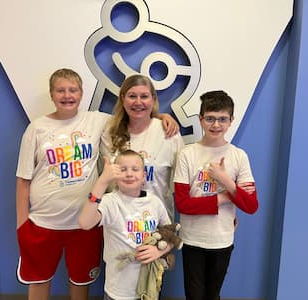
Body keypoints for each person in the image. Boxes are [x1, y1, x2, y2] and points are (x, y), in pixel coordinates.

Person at [15, 68, 178, 300]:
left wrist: (161, 117)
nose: (67, 95)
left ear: (82, 93)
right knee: (39, 281)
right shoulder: (36, 128)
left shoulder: (96, 120)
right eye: (60, 90)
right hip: (43, 221)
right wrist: (22, 224)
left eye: (73, 90)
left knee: (81, 281)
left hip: (86, 223)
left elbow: (136, 114)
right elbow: (23, 179)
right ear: (52, 95)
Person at [173, 90, 259, 300]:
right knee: (194, 295)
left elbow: (251, 206)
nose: (216, 125)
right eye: (210, 118)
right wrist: (228, 196)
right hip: (192, 239)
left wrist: (226, 181)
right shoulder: (187, 154)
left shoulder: (238, 156)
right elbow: (183, 205)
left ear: (231, 121)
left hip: (222, 240)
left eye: (222, 119)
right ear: (201, 119)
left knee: (213, 295)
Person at [79, 149, 172, 300]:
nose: (129, 173)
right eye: (122, 170)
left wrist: (160, 251)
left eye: (135, 169)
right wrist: (102, 182)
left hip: (149, 287)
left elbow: (170, 235)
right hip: (118, 290)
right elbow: (85, 223)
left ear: (144, 176)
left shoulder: (155, 202)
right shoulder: (110, 202)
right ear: (115, 177)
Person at [101, 74, 185, 220]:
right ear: (122, 98)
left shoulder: (168, 133)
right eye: (132, 96)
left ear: (153, 99)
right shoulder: (108, 131)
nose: (138, 102)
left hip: (156, 224)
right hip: (118, 224)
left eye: (144, 96)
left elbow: (185, 181)